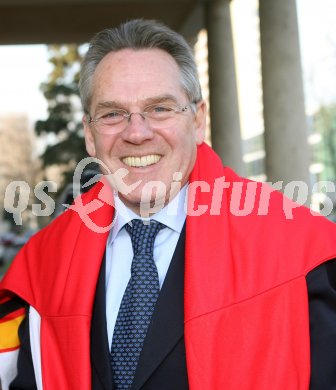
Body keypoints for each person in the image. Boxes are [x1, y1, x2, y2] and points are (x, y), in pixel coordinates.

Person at [1, 18, 336, 390]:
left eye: (159, 108)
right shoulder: (44, 265)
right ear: (90, 137)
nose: (137, 132)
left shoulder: (300, 253)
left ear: (198, 121)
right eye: (113, 114)